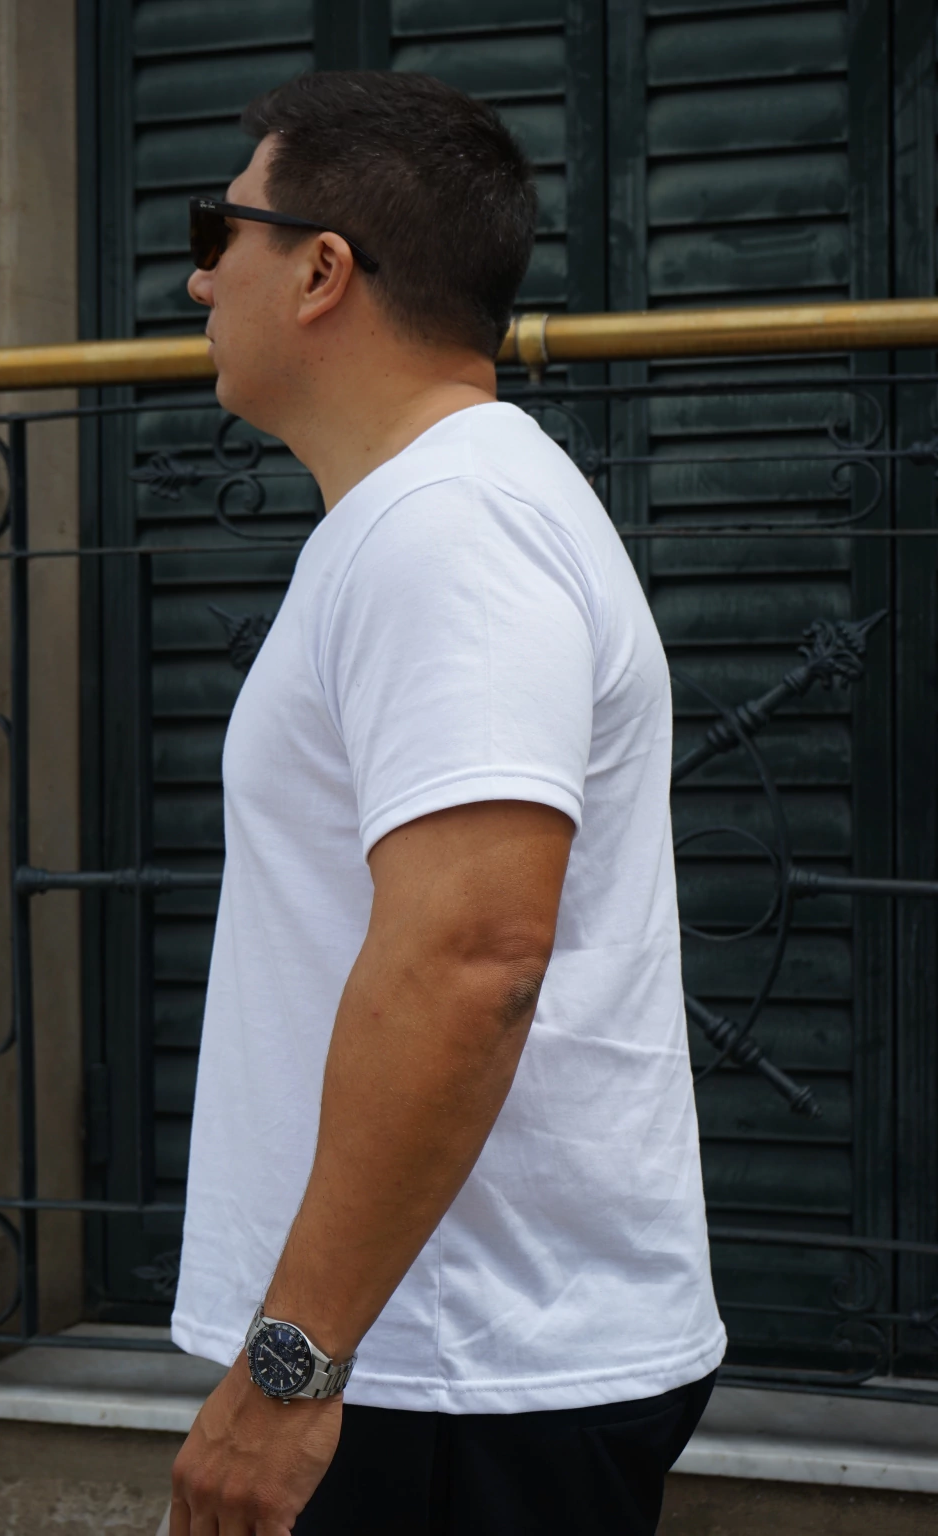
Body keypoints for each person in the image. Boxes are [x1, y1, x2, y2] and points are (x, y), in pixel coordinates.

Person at [168, 70, 725, 1536]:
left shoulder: (451, 528)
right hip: (431, 1362)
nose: (197, 277)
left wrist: (289, 1369)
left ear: (321, 271)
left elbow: (473, 958)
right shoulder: (432, 511)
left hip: (451, 1379)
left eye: (220, 230)